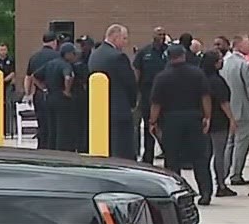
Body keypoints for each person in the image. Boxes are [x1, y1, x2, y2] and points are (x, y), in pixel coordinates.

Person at [149, 44, 213, 204]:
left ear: (168, 57)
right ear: (183, 55)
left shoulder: (162, 77)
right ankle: (205, 192)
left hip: (171, 120)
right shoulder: (197, 74)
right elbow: (205, 97)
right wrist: (207, 117)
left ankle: (176, 192)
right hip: (194, 118)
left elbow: (156, 103)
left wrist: (152, 121)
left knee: (172, 157)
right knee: (199, 158)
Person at [90, 24, 140, 160]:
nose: (126, 42)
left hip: (100, 111)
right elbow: (130, 83)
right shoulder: (118, 57)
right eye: (124, 38)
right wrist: (132, 103)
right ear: (115, 37)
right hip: (119, 110)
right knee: (122, 151)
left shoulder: (95, 55)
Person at [220, 35, 249, 187]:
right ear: (238, 46)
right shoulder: (245, 65)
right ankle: (236, 174)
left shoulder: (224, 63)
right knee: (241, 143)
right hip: (243, 110)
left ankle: (223, 172)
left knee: (229, 143)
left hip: (228, 109)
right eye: (247, 44)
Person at [200, 50, 237, 198]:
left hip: (203, 120)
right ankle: (221, 184)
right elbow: (224, 102)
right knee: (219, 153)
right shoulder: (217, 81)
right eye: (220, 60)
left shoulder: (201, 79)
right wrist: (232, 119)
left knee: (205, 155)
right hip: (219, 121)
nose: (222, 62)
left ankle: (206, 184)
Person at [133, 28, 170, 163]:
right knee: (150, 127)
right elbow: (137, 72)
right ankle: (148, 157)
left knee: (166, 128)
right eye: (159, 34)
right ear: (153, 36)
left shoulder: (169, 52)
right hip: (147, 95)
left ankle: (168, 154)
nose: (161, 37)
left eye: (163, 34)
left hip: (166, 97)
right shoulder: (144, 52)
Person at [24, 31, 60, 149]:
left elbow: (28, 77)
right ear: (54, 42)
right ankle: (52, 147)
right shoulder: (57, 56)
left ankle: (41, 146)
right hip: (54, 94)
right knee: (53, 124)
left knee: (42, 124)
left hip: (38, 95)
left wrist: (28, 94)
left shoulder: (34, 57)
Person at [0, 42, 16, 136]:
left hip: (7, 85)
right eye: (1, 50)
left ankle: (8, 129)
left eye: (4, 49)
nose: (3, 52)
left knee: (8, 105)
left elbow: (13, 72)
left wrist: (5, 79)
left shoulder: (11, 60)